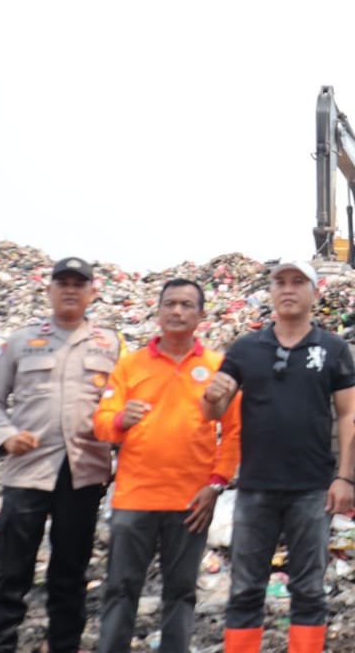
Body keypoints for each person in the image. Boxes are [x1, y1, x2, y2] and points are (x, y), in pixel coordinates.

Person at [201, 259, 355, 653]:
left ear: (314, 292)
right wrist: (212, 396)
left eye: (298, 282)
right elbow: (211, 414)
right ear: (271, 292)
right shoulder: (246, 348)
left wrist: (344, 478)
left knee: (308, 590)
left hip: (311, 489)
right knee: (246, 589)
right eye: (280, 282)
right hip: (255, 488)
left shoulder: (332, 349)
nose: (288, 289)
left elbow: (346, 416)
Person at [0, 257, 125, 653]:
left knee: (70, 574)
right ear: (50, 290)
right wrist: (5, 436)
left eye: (80, 283)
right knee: (10, 574)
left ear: (93, 292)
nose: (71, 289)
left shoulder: (110, 346)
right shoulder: (22, 341)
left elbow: (123, 405)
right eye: (63, 282)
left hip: (84, 474)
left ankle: (65, 646)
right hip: (27, 472)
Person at [92, 278, 242, 653]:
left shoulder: (218, 367)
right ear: (158, 311)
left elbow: (236, 431)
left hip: (190, 503)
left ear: (201, 315)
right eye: (170, 303)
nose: (177, 311)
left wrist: (216, 484)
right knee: (120, 590)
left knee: (180, 593)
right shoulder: (130, 366)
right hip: (133, 500)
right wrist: (119, 420)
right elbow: (100, 420)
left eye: (186, 305)